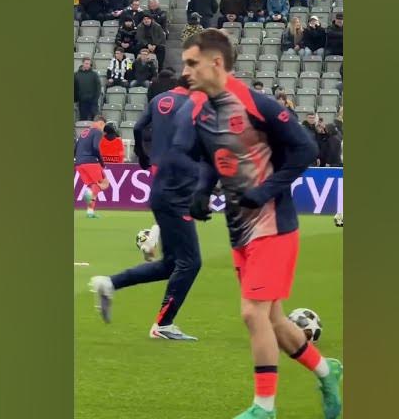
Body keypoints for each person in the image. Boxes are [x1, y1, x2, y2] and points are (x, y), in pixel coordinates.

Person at [173, 29, 342, 419]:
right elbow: (211, 157)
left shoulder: (255, 104)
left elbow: (305, 148)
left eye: (192, 63)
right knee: (273, 319)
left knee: (252, 313)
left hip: (273, 226)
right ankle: (326, 371)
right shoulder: (201, 111)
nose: (186, 71)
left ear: (216, 63)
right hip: (239, 229)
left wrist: (266, 190)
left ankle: (264, 408)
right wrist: (202, 190)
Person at [90, 78, 202, 340]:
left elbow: (139, 127)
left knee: (171, 264)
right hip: (177, 188)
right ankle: (163, 325)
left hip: (161, 183)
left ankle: (110, 283)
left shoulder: (158, 100)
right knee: (190, 262)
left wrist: (143, 155)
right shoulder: (194, 104)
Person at [74, 115, 110, 218]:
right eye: (103, 126)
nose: (103, 129)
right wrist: (102, 162)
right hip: (91, 162)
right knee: (104, 183)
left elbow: (75, 147)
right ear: (101, 123)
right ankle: (88, 193)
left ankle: (90, 212)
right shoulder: (98, 132)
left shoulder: (84, 132)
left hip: (79, 163)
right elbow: (95, 147)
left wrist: (76, 160)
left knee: (95, 185)